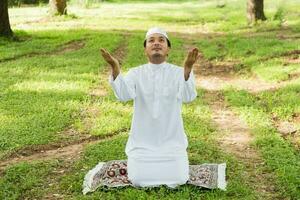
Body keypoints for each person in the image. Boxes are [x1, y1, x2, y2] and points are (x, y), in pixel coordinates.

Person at [100, 27, 201, 188]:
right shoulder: (135, 73)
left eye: (161, 40)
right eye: (151, 40)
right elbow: (123, 95)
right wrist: (115, 68)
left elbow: (189, 97)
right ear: (145, 50)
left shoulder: (179, 72)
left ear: (168, 49)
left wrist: (188, 70)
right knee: (139, 180)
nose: (156, 43)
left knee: (179, 179)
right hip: (142, 146)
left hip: (172, 145)